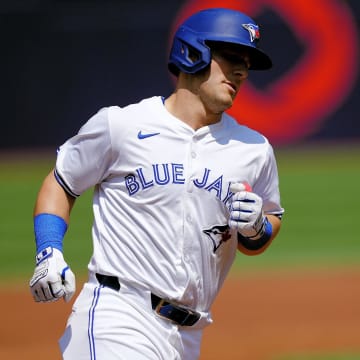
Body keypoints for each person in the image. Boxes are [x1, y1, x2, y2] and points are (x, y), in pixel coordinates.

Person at [29, 7, 284, 360]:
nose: (241, 71)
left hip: (187, 338)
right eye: (230, 57)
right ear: (193, 53)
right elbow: (61, 181)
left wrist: (258, 228)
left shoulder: (254, 150)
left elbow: (266, 226)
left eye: (247, 62)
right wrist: (49, 249)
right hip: (117, 317)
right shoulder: (122, 126)